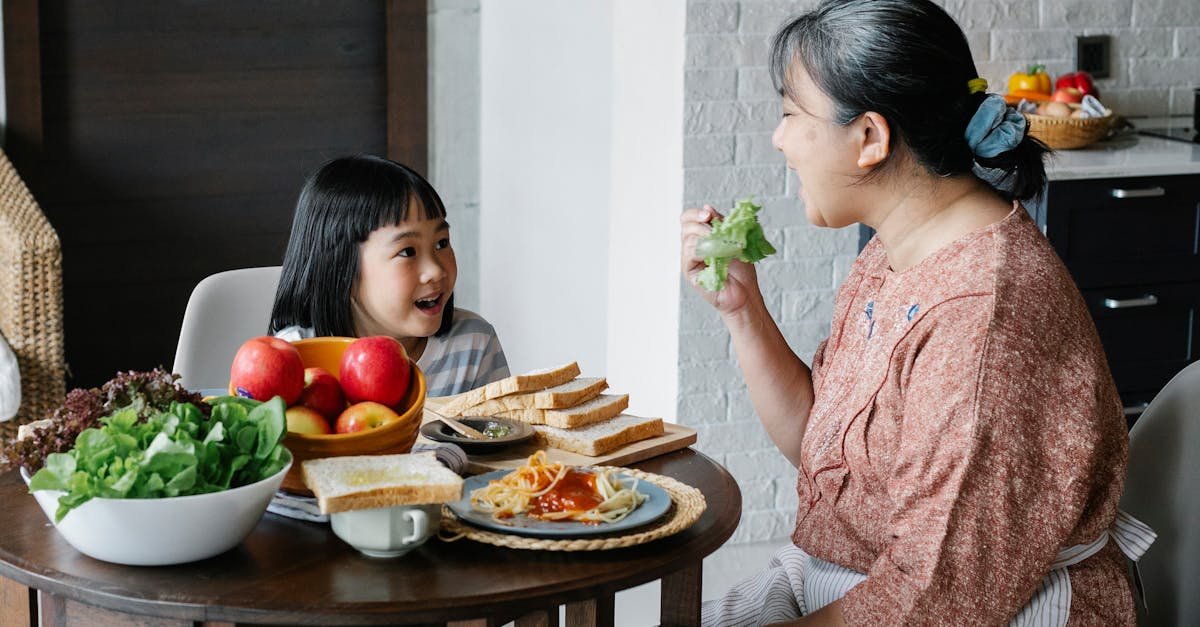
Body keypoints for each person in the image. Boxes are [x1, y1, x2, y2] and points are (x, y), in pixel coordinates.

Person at [681, 1, 1154, 625]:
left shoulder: (983, 315)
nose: (779, 138)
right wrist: (742, 311)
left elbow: (936, 601)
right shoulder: (898, 249)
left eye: (792, 113)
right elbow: (823, 451)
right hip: (858, 582)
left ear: (870, 138)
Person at [270, 155, 509, 398]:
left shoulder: (474, 345)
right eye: (408, 251)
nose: (436, 270)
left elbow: (504, 433)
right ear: (342, 270)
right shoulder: (296, 359)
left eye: (442, 243)